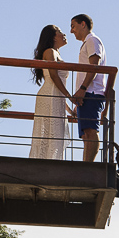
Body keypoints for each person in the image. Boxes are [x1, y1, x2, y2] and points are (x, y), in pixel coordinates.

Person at [29, 24, 73, 159]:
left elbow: (58, 89)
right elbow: (54, 76)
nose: (64, 34)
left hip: (55, 97)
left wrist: (70, 111)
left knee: (54, 133)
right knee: (48, 134)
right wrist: (70, 96)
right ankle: (44, 163)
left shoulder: (56, 53)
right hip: (49, 96)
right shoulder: (50, 51)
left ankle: (52, 162)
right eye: (60, 32)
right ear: (53, 37)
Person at [69, 14, 106, 163]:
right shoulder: (87, 42)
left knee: (90, 131)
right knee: (85, 134)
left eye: (73, 26)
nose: (72, 31)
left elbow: (94, 66)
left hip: (91, 93)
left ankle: (88, 167)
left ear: (83, 24)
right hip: (86, 94)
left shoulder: (92, 40)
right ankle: (86, 165)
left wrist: (83, 88)